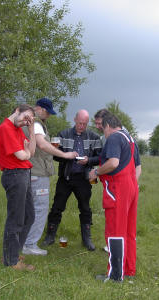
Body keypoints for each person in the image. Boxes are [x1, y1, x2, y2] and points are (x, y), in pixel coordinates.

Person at [88, 114, 141, 282]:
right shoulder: (129, 138)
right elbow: (137, 165)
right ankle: (128, 268)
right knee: (128, 231)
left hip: (118, 188)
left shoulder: (114, 138)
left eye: (103, 128)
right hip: (131, 186)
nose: (103, 132)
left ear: (109, 125)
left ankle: (115, 275)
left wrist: (96, 172)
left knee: (115, 231)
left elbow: (113, 163)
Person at [22, 98, 78, 256]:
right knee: (40, 208)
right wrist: (64, 154)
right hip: (37, 173)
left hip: (27, 171)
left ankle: (24, 241)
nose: (48, 115)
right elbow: (42, 144)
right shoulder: (37, 124)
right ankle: (30, 245)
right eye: (46, 112)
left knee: (29, 208)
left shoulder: (26, 122)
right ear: (38, 109)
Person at [42, 109, 102, 251]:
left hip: (83, 178)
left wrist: (88, 161)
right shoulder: (63, 134)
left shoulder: (94, 137)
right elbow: (53, 154)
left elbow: (100, 157)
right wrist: (66, 155)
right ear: (75, 119)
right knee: (57, 206)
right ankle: (50, 236)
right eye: (80, 123)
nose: (82, 126)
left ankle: (87, 239)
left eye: (85, 124)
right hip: (66, 177)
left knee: (85, 208)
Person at [0, 104, 36, 271]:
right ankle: (11, 261)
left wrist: (31, 131)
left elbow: (30, 152)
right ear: (17, 110)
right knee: (16, 219)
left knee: (29, 216)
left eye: (30, 120)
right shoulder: (5, 128)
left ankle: (13, 253)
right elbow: (21, 155)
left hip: (23, 173)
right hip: (15, 175)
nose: (26, 121)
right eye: (26, 117)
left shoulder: (18, 129)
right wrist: (25, 153)